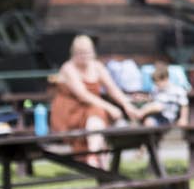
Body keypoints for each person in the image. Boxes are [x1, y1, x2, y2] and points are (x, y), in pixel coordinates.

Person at [51, 34, 144, 168]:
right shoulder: (68, 68)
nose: (84, 56)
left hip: (92, 110)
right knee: (98, 112)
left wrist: (127, 105)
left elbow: (112, 88)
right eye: (80, 53)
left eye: (87, 52)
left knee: (97, 114)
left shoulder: (97, 66)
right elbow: (83, 95)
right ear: (74, 53)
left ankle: (95, 155)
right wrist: (110, 108)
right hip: (70, 112)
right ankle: (94, 155)